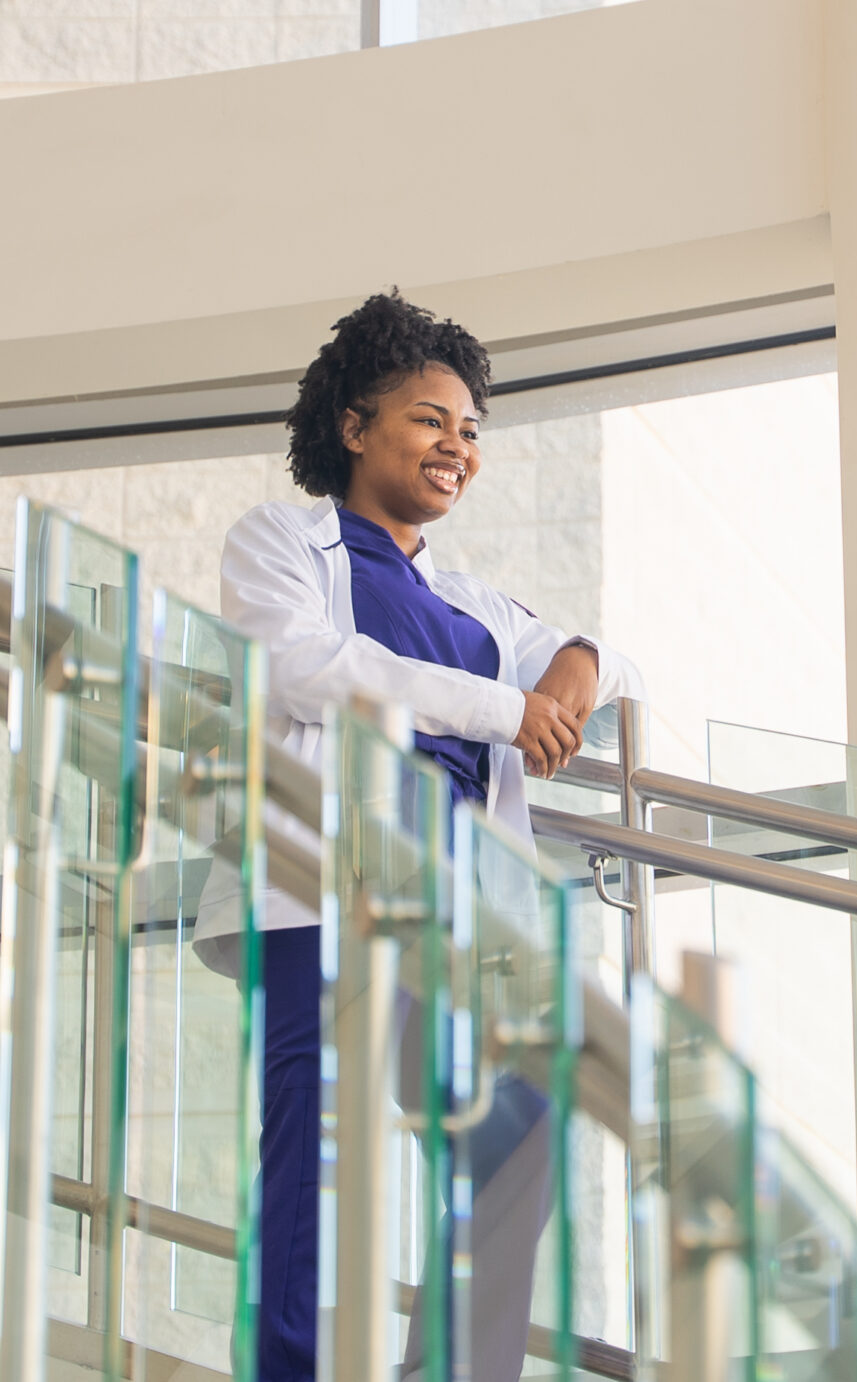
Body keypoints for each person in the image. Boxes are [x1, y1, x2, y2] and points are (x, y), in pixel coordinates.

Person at [200, 291, 644, 1382]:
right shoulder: (283, 544)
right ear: (354, 427)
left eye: (471, 430)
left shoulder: (474, 604)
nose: (458, 448)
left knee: (521, 1123)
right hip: (327, 891)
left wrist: (576, 666)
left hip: (458, 914)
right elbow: (305, 668)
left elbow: (605, 666)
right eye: (430, 420)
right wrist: (505, 710)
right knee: (314, 1147)